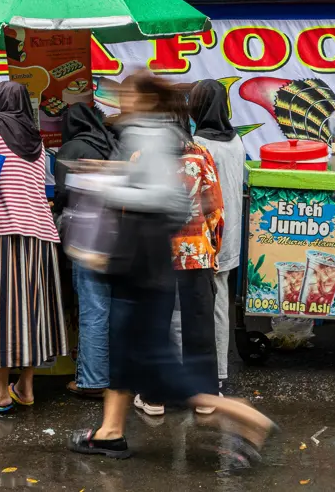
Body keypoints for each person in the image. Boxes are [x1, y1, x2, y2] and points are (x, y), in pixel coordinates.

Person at [67, 71, 276, 460]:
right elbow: (214, 205)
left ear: (147, 100)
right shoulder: (180, 144)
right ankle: (112, 430)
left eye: (128, 94)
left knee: (153, 358)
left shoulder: (152, 137)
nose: (122, 100)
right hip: (176, 256)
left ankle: (241, 413)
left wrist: (103, 185)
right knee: (148, 347)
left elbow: (166, 197)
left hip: (149, 259)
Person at [0, 81, 68, 412]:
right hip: (42, 236)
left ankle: (0, 391)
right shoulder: (35, 138)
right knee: (30, 311)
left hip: (2, 232)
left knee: (1, 311)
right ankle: (26, 386)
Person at [135, 114, 224, 417]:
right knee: (199, 324)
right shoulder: (200, 155)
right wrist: (213, 247)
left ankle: (154, 397)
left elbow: (131, 208)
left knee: (154, 325)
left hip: (154, 252)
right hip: (195, 250)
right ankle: (205, 395)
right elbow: (214, 207)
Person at [53, 103, 120, 399]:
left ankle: (92, 380)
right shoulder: (113, 143)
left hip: (89, 237)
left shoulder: (72, 148)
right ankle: (115, 376)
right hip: (119, 236)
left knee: (93, 309)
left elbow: (63, 194)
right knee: (114, 308)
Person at [188, 79, 245, 390]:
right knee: (220, 301)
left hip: (208, 235)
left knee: (198, 307)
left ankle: (204, 372)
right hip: (231, 233)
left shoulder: (200, 144)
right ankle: (220, 371)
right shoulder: (236, 140)